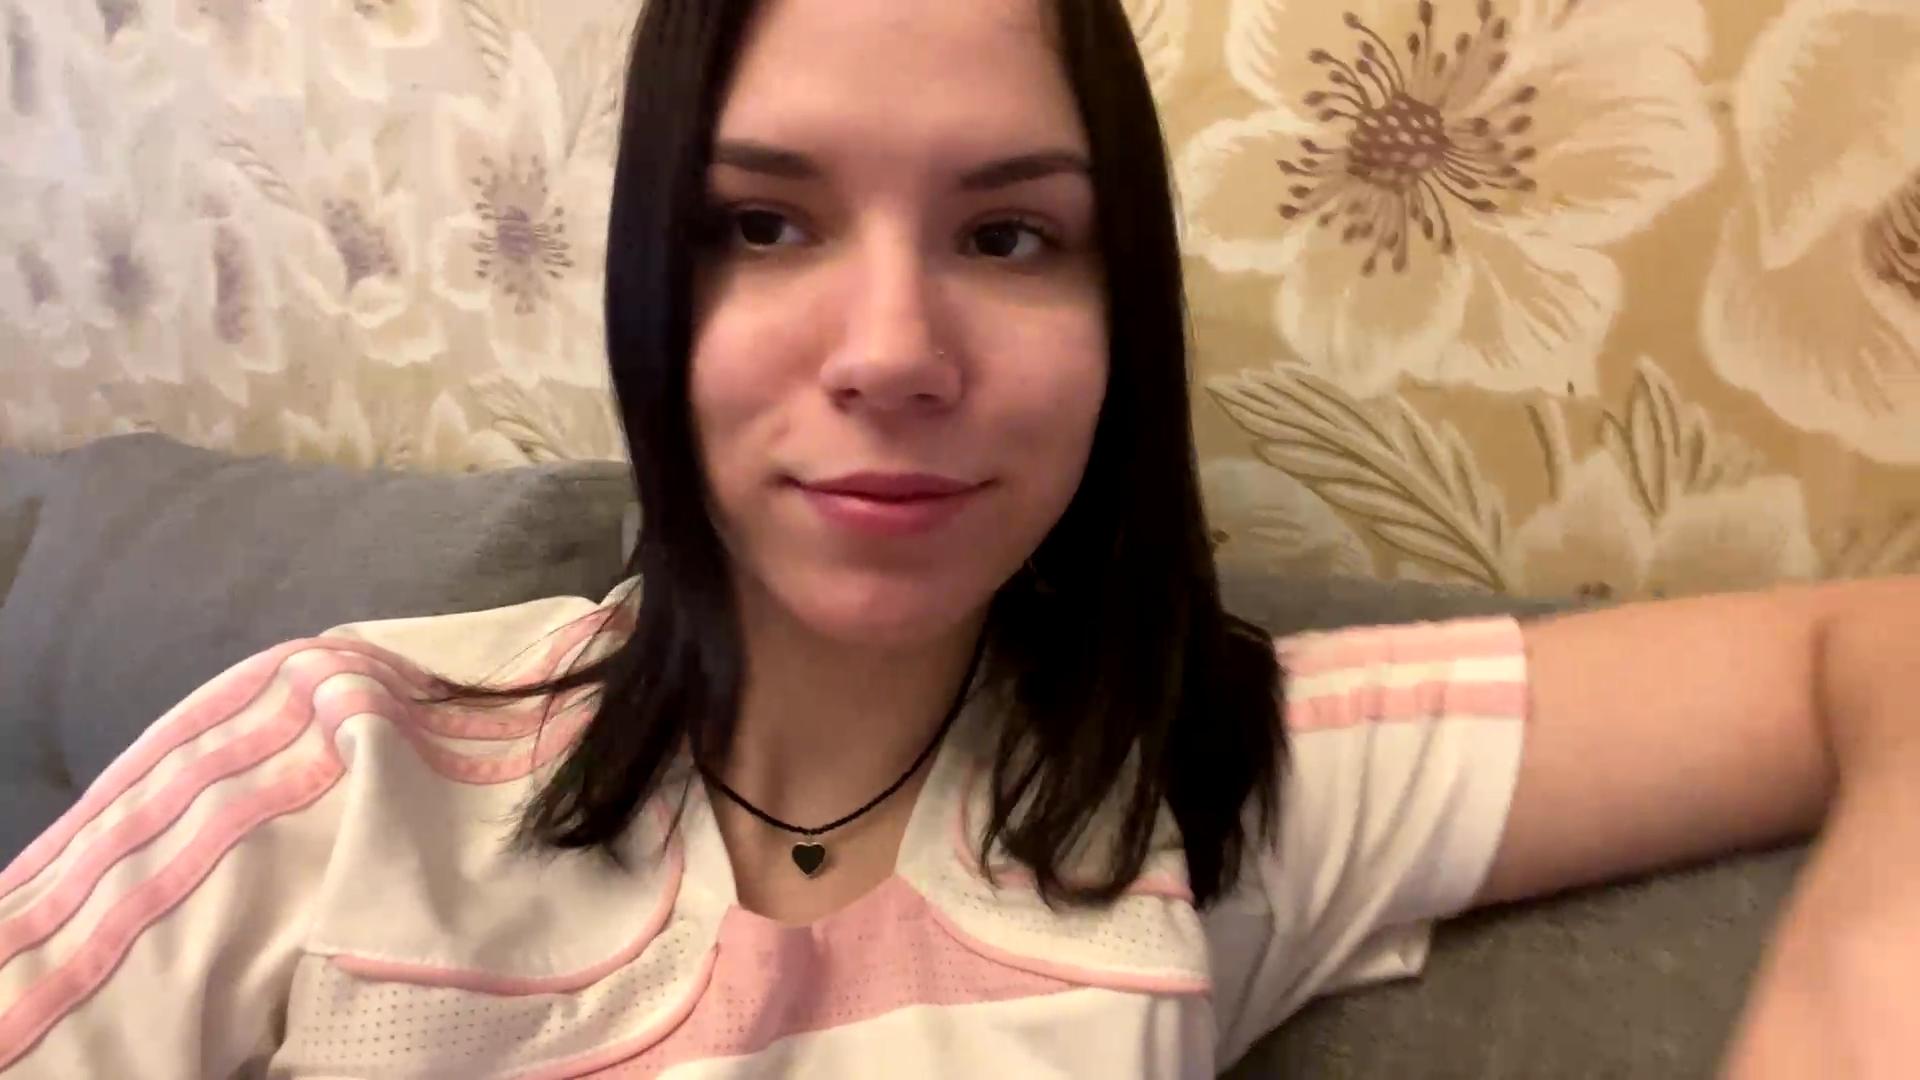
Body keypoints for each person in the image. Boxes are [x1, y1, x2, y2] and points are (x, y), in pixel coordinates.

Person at [2, 0, 1915, 1075]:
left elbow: (1877, 656)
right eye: (764, 223)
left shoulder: (1215, 788)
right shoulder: (324, 772)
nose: (897, 351)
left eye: (1010, 235)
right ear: (653, 287)